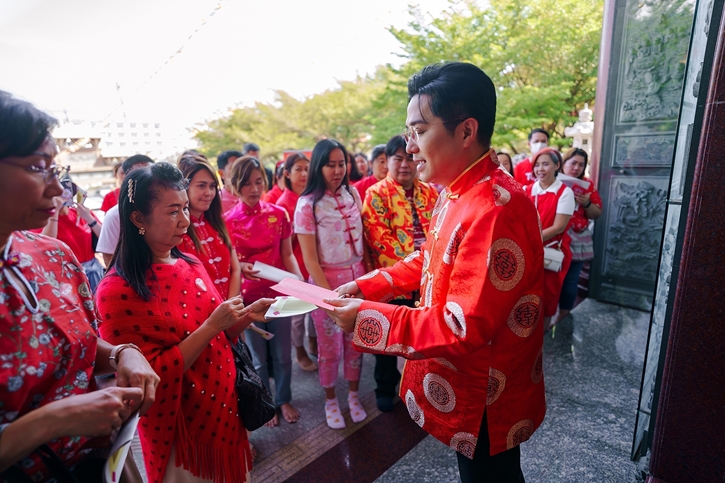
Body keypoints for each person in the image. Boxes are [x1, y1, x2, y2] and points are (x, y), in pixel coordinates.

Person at [326, 62, 545, 482]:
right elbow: (430, 260)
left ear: (466, 131)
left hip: (486, 394)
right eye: (410, 133)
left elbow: (463, 325)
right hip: (473, 384)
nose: (409, 148)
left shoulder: (496, 207)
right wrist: (366, 285)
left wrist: (367, 316)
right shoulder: (458, 191)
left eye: (419, 131)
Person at [0, 90, 158, 482]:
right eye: (39, 167)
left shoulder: (54, 255)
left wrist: (124, 353)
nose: (57, 189)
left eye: (57, 169)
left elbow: (81, 345)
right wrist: (55, 420)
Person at [96, 162, 272, 483]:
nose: (186, 221)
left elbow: (221, 337)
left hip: (225, 413)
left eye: (186, 209)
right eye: (173, 211)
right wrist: (212, 327)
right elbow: (147, 379)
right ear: (138, 219)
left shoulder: (188, 261)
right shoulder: (117, 291)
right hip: (184, 437)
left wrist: (246, 316)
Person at [295, 139, 373, 429]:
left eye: (342, 163)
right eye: (331, 164)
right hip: (325, 284)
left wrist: (366, 279)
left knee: (357, 343)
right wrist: (329, 297)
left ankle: (353, 396)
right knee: (330, 349)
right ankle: (330, 400)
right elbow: (310, 259)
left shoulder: (353, 193)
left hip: (358, 280)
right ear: (319, 166)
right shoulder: (307, 204)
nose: (338, 170)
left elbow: (363, 242)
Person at [361, 134, 439, 412]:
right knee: (388, 337)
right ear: (387, 161)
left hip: (429, 277)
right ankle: (385, 386)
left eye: (409, 158)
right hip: (391, 279)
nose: (404, 164)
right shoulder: (376, 193)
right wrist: (418, 266)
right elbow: (379, 240)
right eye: (398, 158)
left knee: (420, 337)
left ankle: (420, 388)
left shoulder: (430, 191)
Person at [224, 156, 303, 426]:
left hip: (279, 294)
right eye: (246, 184)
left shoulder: (278, 214)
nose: (254, 189)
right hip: (248, 298)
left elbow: (287, 255)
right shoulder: (227, 222)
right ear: (235, 186)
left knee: (283, 354)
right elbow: (231, 266)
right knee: (258, 358)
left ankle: (283, 399)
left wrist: (299, 281)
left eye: (259, 182)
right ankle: (267, 401)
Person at [522, 148, 575, 331]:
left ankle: (542, 335)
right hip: (529, 250)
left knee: (548, 295)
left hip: (552, 252)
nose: (540, 169)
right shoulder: (526, 190)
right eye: (537, 165)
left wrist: (529, 238)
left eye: (545, 164)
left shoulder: (564, 192)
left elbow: (558, 227)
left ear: (557, 165)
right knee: (527, 293)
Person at [275, 152, 318, 372]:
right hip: (296, 268)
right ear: (287, 174)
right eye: (298, 169)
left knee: (314, 311)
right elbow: (285, 245)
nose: (304, 173)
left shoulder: (312, 197)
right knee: (298, 316)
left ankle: (312, 343)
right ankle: (299, 350)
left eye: (306, 168)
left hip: (314, 265)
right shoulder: (284, 204)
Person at [177, 154, 241, 300]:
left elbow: (235, 269)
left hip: (231, 311)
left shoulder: (220, 224)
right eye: (201, 186)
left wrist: (229, 306)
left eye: (212, 186)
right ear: (184, 188)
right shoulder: (176, 232)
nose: (209, 193)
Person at [555, 148, 602, 325]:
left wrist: (587, 203)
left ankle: (564, 314)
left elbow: (596, 213)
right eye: (573, 163)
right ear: (563, 163)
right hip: (554, 236)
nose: (576, 168)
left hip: (577, 237)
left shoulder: (587, 185)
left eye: (581, 165)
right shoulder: (551, 181)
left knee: (570, 279)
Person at [39, 177, 104, 292]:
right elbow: (46, 243)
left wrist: (89, 219)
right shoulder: (45, 219)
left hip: (93, 271)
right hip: (66, 273)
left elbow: (105, 238)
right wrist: (55, 211)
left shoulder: (81, 213)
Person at [96, 154, 154, 266]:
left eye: (150, 173)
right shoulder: (114, 215)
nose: (146, 179)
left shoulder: (168, 208)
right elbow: (108, 256)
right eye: (139, 175)